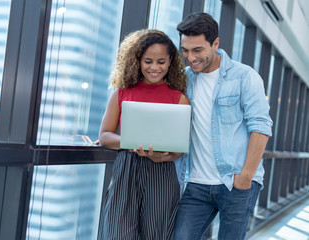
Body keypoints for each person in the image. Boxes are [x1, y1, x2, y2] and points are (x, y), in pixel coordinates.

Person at [173, 12, 273, 240]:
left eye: (197, 50)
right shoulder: (184, 79)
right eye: (185, 50)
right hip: (196, 182)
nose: (190, 57)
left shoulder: (244, 76)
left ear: (215, 43)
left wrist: (246, 176)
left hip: (235, 181)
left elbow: (261, 126)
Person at [97, 29, 190, 240]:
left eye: (161, 62)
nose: (154, 67)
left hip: (162, 172)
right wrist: (129, 142)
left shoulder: (179, 99)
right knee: (117, 233)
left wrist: (163, 156)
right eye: (148, 61)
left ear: (170, 63)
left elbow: (179, 150)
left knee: (156, 234)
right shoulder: (121, 93)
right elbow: (104, 136)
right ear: (137, 60)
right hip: (126, 170)